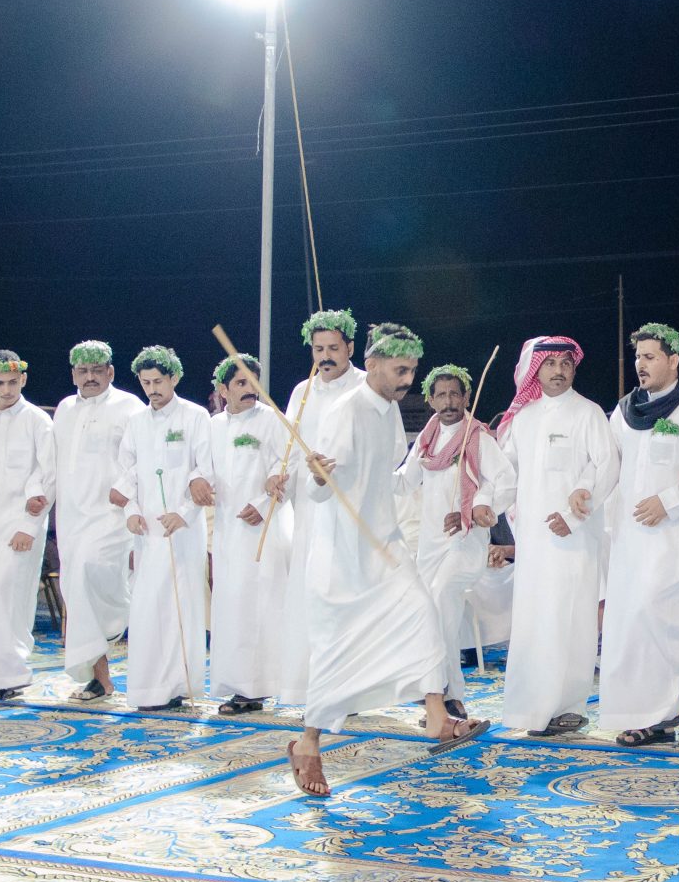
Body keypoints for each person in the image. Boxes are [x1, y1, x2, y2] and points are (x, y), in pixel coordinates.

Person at [284, 323, 489, 794]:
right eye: (400, 370)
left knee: (421, 614)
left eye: (412, 370)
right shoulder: (345, 410)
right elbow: (319, 490)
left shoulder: (390, 411)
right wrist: (318, 477)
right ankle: (308, 743)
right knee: (338, 652)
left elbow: (393, 474)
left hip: (386, 544)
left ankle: (437, 717)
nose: (407, 380)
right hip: (344, 554)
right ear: (372, 365)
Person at [599, 323, 679, 746]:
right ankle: (639, 712)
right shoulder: (624, 411)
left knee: (662, 621)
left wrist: (669, 500)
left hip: (676, 536)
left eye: (650, 356)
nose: (641, 364)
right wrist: (585, 493)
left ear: (673, 360)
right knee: (629, 623)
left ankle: (658, 714)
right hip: (629, 539)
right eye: (638, 357)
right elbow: (607, 464)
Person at [495, 336, 616, 737]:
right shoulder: (523, 419)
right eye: (550, 363)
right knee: (534, 622)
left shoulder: (589, 413)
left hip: (573, 540)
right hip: (533, 542)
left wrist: (573, 517)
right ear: (538, 369)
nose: (559, 370)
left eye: (566, 363)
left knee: (570, 620)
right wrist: (482, 505)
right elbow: (507, 476)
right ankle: (530, 707)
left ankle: (567, 707)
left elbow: (606, 468)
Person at [267, 308, 363, 708]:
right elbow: (288, 449)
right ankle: (307, 687)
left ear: (350, 348)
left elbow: (387, 449)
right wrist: (279, 477)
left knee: (345, 597)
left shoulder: (366, 387)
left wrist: (340, 468)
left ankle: (349, 690)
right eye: (318, 349)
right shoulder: (301, 392)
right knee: (309, 596)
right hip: (309, 514)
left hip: (352, 511)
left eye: (333, 348)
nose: (325, 356)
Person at [112, 346, 214, 710]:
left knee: (180, 606)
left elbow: (205, 469)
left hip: (183, 531)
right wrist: (131, 511)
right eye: (146, 382)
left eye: (158, 381)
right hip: (147, 532)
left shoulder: (195, 416)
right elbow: (127, 472)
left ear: (174, 378)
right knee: (147, 605)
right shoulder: (137, 422)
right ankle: (148, 688)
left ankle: (178, 685)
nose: (152, 389)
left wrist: (183, 513)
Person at [49, 339, 146, 700]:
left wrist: (128, 493)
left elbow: (141, 457)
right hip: (72, 516)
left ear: (111, 372)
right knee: (77, 589)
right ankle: (99, 678)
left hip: (112, 514)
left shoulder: (129, 407)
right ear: (74, 374)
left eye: (97, 370)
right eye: (83, 371)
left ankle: (121, 629)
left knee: (99, 579)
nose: (90, 377)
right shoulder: (64, 409)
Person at [398, 362, 505, 679]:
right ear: (430, 400)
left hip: (465, 544)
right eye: (441, 395)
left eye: (454, 394)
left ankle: (441, 679)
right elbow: (404, 482)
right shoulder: (426, 440)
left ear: (466, 397)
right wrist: (366, 472)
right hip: (430, 545)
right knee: (427, 607)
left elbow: (506, 481)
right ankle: (438, 685)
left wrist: (475, 509)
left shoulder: (479, 438)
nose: (448, 402)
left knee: (443, 592)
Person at [0, 351, 56, 700]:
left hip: (22, 524)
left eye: (12, 382)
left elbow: (48, 475)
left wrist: (29, 526)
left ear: (23, 379)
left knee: (11, 597)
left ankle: (12, 672)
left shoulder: (37, 421)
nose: (6, 390)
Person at [205, 354, 291, 713]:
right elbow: (202, 469)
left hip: (262, 531)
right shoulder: (212, 426)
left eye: (254, 382)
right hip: (226, 532)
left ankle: (254, 688)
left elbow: (284, 467)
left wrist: (263, 504)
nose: (250, 389)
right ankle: (237, 684)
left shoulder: (271, 420)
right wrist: (198, 483)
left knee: (258, 607)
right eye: (241, 383)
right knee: (230, 608)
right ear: (223, 389)